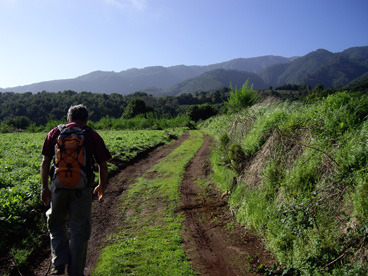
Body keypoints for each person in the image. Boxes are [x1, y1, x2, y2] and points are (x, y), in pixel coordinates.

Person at [40, 104, 112, 276]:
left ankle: (58, 264)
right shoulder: (91, 135)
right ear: (86, 119)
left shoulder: (54, 133)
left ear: (68, 119)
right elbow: (103, 164)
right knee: (79, 232)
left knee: (56, 224)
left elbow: (45, 163)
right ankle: (75, 272)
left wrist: (44, 188)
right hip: (82, 190)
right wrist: (101, 186)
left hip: (57, 188)